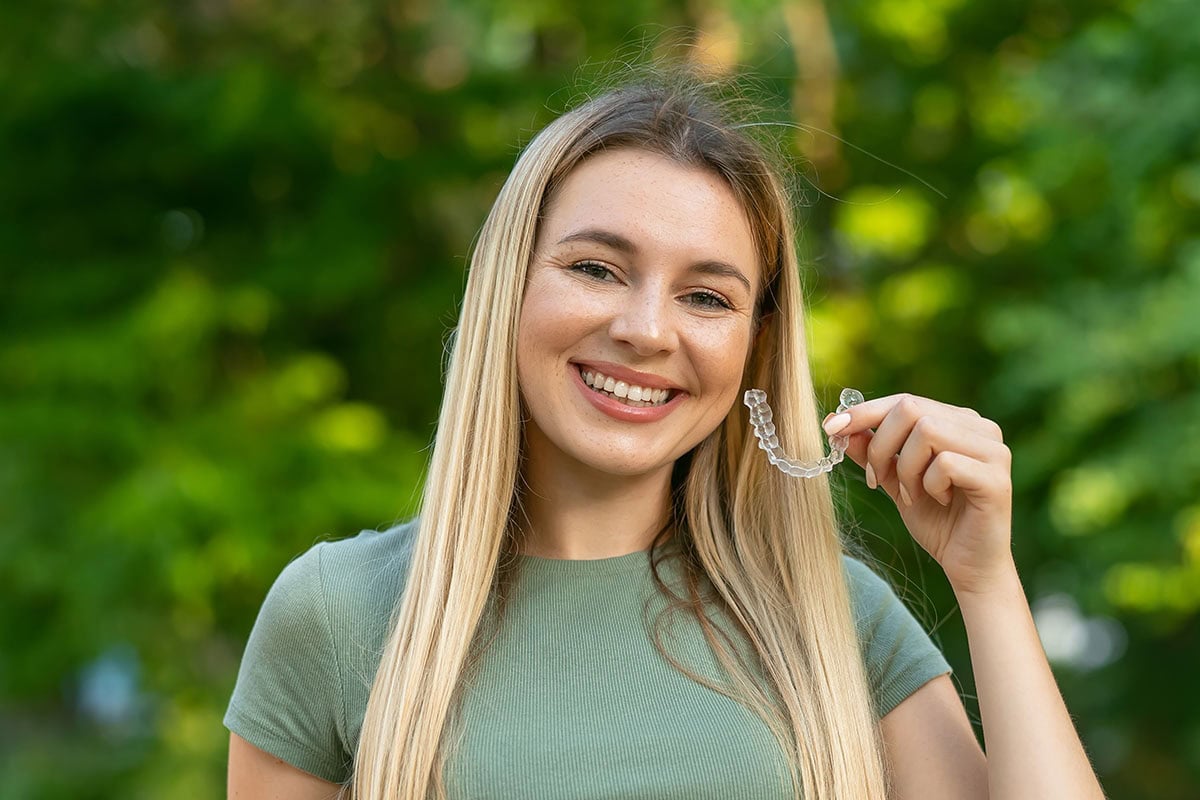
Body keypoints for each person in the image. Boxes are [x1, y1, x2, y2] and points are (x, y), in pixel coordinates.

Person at [224, 68, 1107, 800]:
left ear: (753, 348)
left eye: (707, 296)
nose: (648, 330)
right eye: (597, 268)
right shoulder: (338, 615)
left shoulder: (834, 622)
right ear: (509, 286)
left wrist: (985, 581)